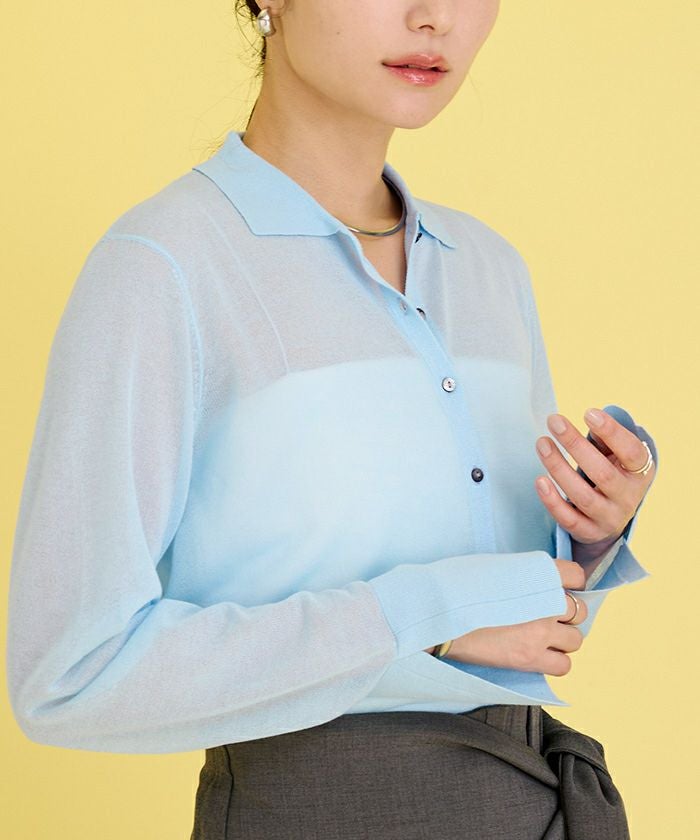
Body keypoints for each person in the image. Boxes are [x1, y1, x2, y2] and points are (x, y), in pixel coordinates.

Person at [6, 1, 658, 838]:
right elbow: (72, 676)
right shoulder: (164, 268)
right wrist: (420, 616)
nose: (434, 17)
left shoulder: (489, 268)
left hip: (532, 805)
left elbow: (512, 634)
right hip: (314, 810)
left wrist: (589, 536)